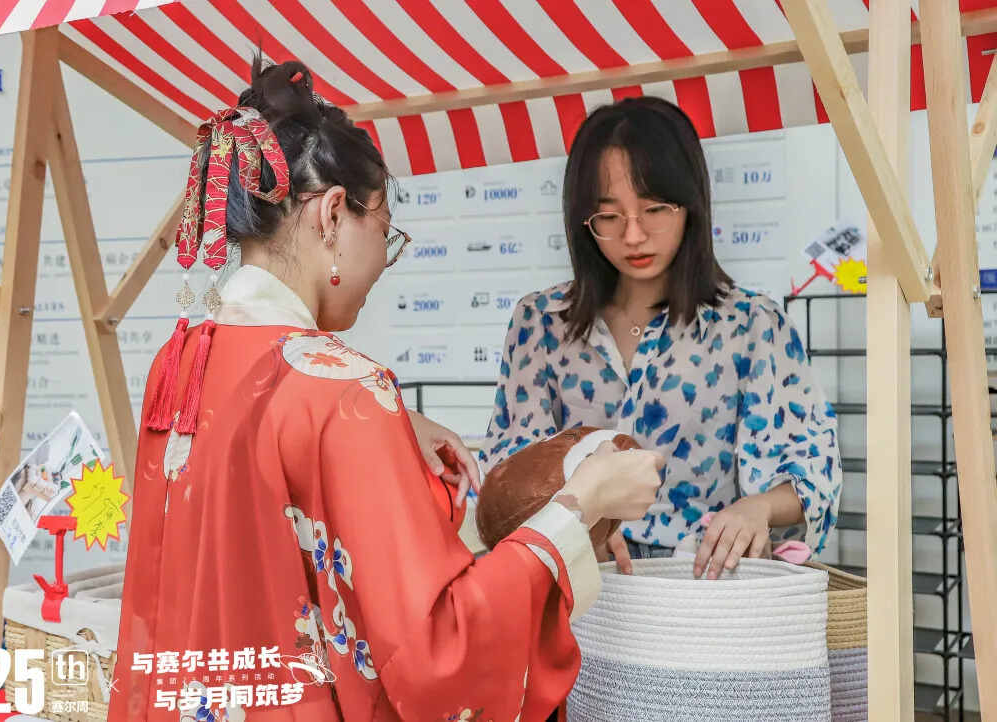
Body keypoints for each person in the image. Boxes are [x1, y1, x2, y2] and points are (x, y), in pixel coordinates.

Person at [109, 59, 665, 721]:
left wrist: (392, 424)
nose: (383, 259)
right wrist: (583, 501)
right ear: (333, 214)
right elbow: (439, 655)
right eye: (384, 231)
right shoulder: (346, 392)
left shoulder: (180, 364)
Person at [480, 97, 842, 580]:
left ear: (691, 205)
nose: (633, 236)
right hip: (577, 584)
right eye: (608, 217)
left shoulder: (753, 325)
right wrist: (582, 513)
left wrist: (756, 508)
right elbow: (510, 471)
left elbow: (812, 466)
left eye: (654, 209)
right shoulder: (541, 322)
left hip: (702, 587)